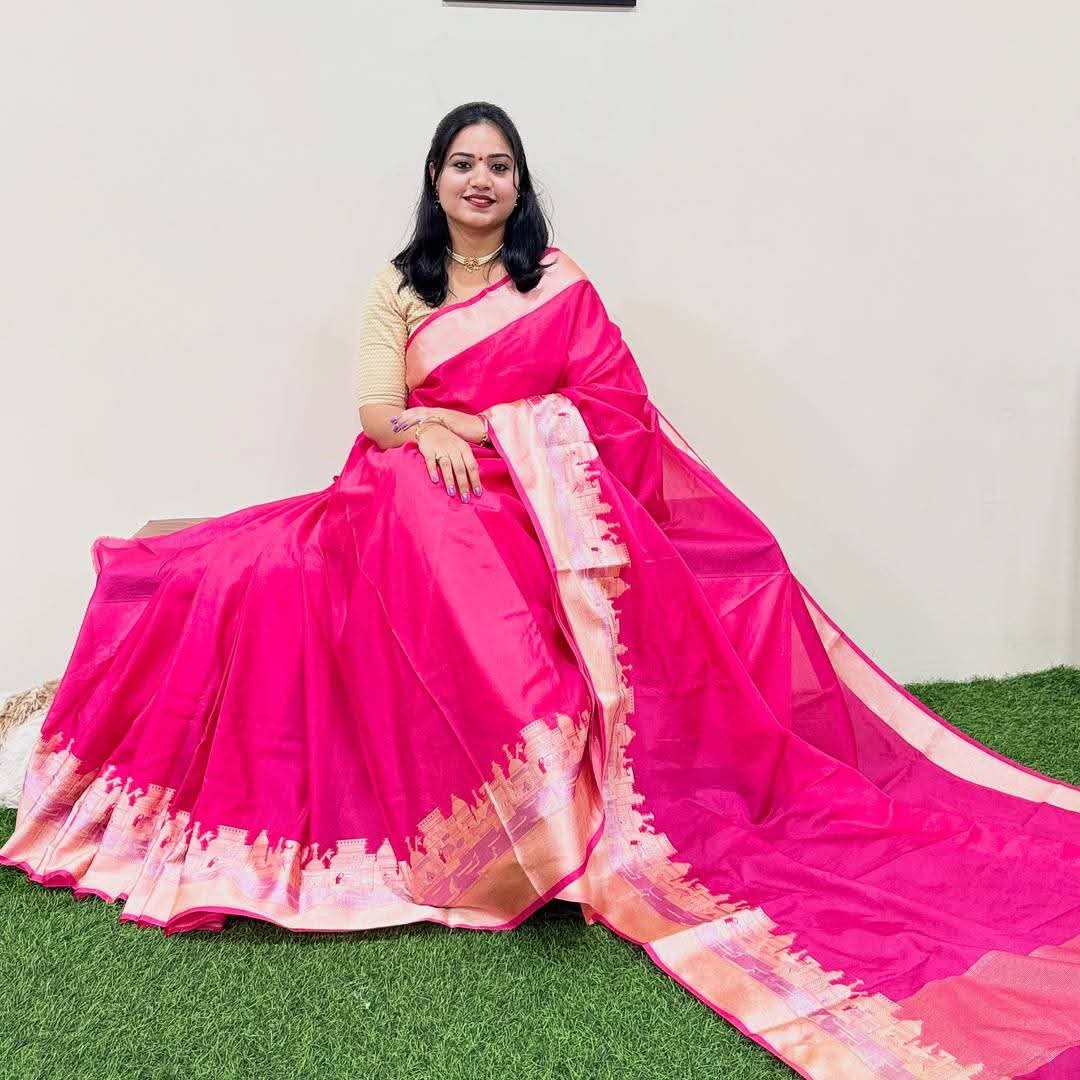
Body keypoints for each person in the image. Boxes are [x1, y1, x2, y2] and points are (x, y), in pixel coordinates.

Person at [2, 100, 1079, 1078]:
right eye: (463, 164)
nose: (480, 181)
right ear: (435, 178)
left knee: (614, 565)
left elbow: (614, 410)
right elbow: (377, 411)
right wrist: (436, 423)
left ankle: (553, 800)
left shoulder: (554, 284)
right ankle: (523, 807)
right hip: (415, 490)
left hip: (540, 510)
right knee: (366, 520)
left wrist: (511, 434)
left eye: (499, 167)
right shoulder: (399, 284)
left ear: (520, 188)